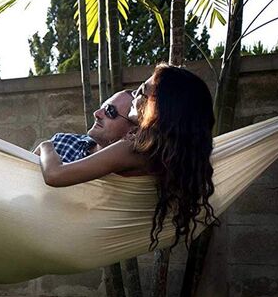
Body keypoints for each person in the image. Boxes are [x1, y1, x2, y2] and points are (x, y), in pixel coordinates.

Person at [36, 63, 217, 249]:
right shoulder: (165, 157)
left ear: (159, 106)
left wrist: (46, 145)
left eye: (141, 92)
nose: (134, 97)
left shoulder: (133, 150)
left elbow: (54, 174)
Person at [41, 90, 137, 163]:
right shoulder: (60, 143)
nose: (97, 114)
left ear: (132, 131)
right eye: (102, 107)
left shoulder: (133, 169)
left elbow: (54, 175)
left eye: (110, 111)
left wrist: (45, 146)